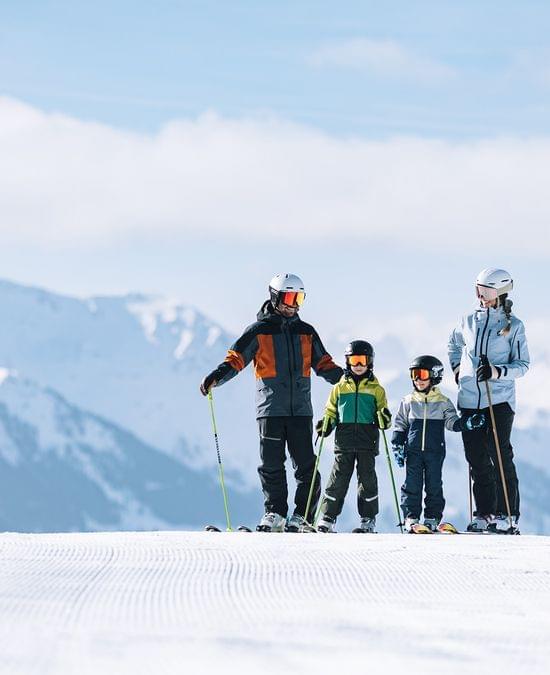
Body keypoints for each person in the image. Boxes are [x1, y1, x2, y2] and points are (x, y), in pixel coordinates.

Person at [199, 273, 343, 532]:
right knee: (271, 464)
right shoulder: (259, 331)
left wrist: (346, 381)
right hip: (270, 410)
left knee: (307, 466)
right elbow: (236, 360)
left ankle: (302, 516)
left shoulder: (306, 332)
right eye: (289, 297)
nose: (294, 304)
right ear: (275, 297)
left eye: (299, 298)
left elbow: (324, 364)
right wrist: (217, 377)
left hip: (300, 411)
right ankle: (275, 512)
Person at [448, 268, 530, 533]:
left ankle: (508, 514)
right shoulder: (468, 320)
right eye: (477, 290)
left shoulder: (513, 326)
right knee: (477, 458)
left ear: (501, 293)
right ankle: (485, 513)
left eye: (486, 292)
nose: (480, 296)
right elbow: (453, 343)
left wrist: (497, 372)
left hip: (500, 399)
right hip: (470, 398)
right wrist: (458, 371)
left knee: (499, 454)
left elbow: (523, 365)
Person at [391, 355, 485, 532]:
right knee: (412, 485)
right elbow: (400, 424)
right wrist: (397, 443)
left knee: (434, 485)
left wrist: (468, 423)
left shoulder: (443, 402)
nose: (418, 379)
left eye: (422, 374)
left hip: (435, 452)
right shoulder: (408, 401)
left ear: (434, 376)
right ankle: (411, 517)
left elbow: (452, 423)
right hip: (413, 451)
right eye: (414, 374)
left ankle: (432, 517)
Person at [315, 340, 391, 533]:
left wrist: (383, 418)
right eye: (354, 360)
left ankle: (368, 519)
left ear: (369, 362)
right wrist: (326, 424)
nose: (358, 366)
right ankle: (327, 518)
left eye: (362, 361)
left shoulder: (376, 389)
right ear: (347, 362)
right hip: (345, 441)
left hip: (367, 441)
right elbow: (331, 411)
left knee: (367, 481)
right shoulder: (339, 388)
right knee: (337, 480)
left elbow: (384, 414)